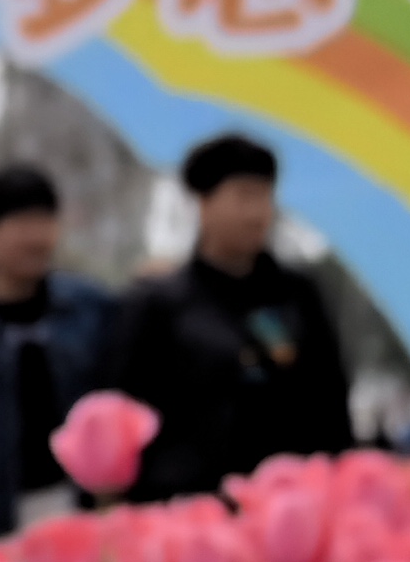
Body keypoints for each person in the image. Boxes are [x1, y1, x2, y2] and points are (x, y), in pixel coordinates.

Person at [114, 131, 351, 500]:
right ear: (204, 203)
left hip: (292, 504)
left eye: (265, 197)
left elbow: (331, 400)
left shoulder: (297, 294)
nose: (258, 213)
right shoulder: (160, 304)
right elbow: (129, 414)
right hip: (193, 505)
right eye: (243, 197)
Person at [0, 162, 116, 539]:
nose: (35, 237)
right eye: (20, 224)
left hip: (73, 502)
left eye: (44, 221)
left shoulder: (91, 307)